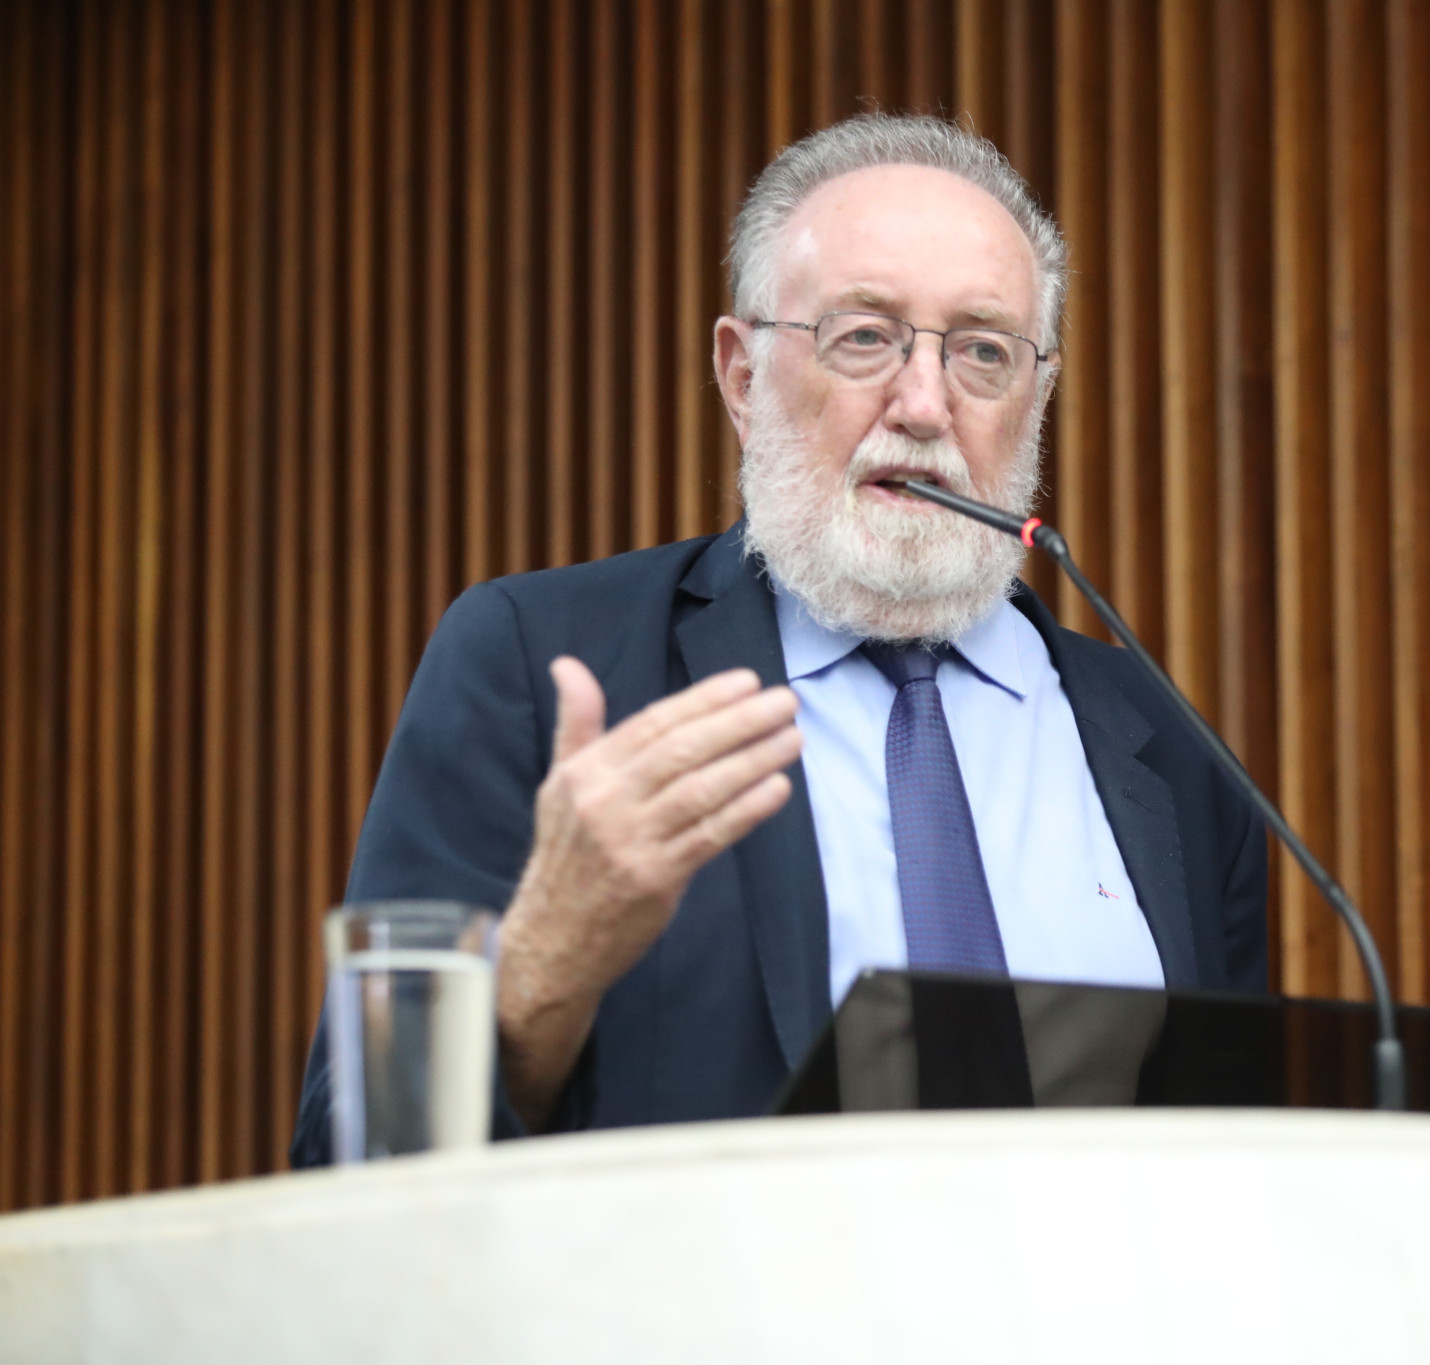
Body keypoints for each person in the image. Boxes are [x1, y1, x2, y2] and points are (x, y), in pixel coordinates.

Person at [290, 115, 1268, 1164]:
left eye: (983, 351)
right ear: (743, 377)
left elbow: (1246, 1178)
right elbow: (358, 1150)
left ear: (1038, 390)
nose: (926, 404)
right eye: (864, 337)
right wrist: (545, 960)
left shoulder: (1169, 753)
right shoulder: (540, 663)